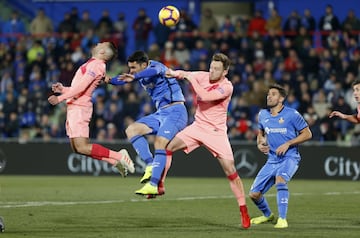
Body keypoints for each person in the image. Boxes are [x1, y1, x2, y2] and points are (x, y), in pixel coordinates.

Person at [139, 53, 251, 229]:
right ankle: (160, 184)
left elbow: (205, 96)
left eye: (216, 69)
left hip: (216, 133)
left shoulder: (227, 87)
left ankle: (243, 210)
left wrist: (190, 78)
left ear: (225, 72)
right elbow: (180, 73)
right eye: (211, 67)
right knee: (166, 147)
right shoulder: (202, 75)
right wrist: (167, 72)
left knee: (230, 170)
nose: (212, 71)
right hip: (198, 127)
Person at [48, 42, 134, 177]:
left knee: (82, 146)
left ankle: (119, 156)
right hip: (74, 106)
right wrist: (63, 89)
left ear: (103, 52)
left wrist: (60, 98)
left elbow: (82, 87)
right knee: (77, 149)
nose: (98, 43)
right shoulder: (92, 63)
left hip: (80, 108)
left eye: (102, 44)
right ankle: (115, 161)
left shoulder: (97, 65)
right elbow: (80, 88)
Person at [107, 50, 188, 190]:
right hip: (161, 113)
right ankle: (150, 164)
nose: (131, 71)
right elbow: (121, 80)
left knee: (159, 142)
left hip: (176, 111)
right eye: (130, 68)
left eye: (134, 68)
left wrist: (135, 77)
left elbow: (154, 71)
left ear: (144, 64)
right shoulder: (138, 75)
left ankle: (153, 185)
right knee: (132, 130)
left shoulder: (157, 66)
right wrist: (108, 80)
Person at [249, 84, 312, 228]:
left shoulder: (292, 114)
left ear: (281, 98)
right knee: (254, 194)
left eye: (273, 94)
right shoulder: (263, 115)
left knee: (280, 180)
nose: (269, 96)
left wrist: (288, 143)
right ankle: (268, 216)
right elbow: (261, 133)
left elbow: (308, 134)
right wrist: (259, 144)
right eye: (268, 94)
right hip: (272, 160)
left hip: (289, 157)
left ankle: (282, 219)